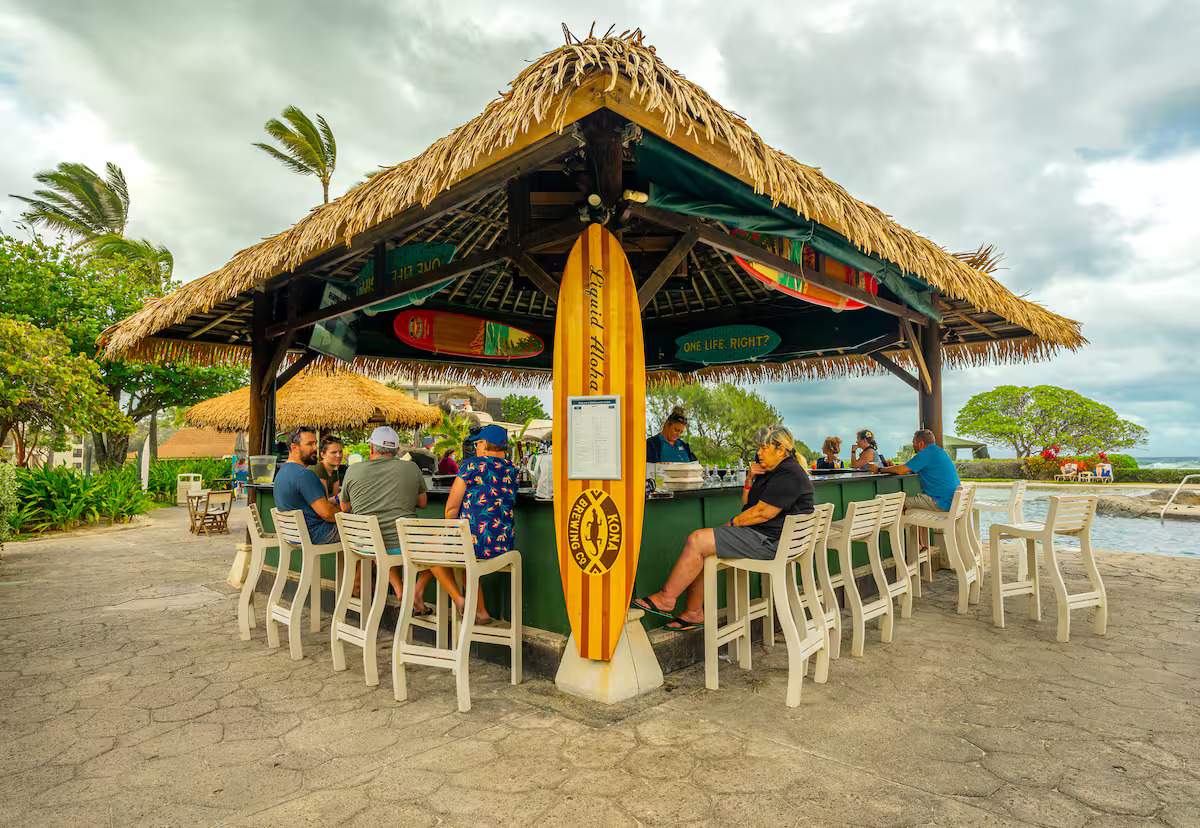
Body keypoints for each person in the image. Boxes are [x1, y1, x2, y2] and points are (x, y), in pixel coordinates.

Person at [632, 425, 814, 631]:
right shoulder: (775, 472)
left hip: (771, 543)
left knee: (697, 540)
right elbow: (747, 507)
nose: (759, 453)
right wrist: (749, 480)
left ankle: (666, 599)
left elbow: (762, 513)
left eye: (764, 448)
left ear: (781, 449)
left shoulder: (788, 472)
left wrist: (731, 525)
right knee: (704, 548)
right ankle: (693, 613)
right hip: (770, 538)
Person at [339, 426, 432, 610]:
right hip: (403, 546)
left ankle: (400, 588)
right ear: (397, 450)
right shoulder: (411, 468)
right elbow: (422, 503)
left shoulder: (352, 470)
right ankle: (415, 590)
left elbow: (344, 507)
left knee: (380, 541)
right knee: (438, 549)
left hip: (365, 545)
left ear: (372, 448)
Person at [437, 424, 517, 625]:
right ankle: (481, 611)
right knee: (465, 556)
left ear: (483, 444)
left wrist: (449, 535)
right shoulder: (512, 469)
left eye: (478, 442)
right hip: (503, 545)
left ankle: (459, 599)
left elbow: (451, 508)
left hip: (474, 544)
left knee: (430, 549)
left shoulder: (472, 465)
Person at [273, 426, 340, 544]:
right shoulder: (304, 475)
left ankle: (349, 563)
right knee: (361, 531)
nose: (315, 448)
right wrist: (345, 515)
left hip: (294, 535)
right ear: (294, 448)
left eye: (315, 443)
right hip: (315, 534)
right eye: (310, 444)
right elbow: (326, 513)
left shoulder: (282, 472)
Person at [878, 429, 961, 511]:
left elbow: (901, 470)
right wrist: (893, 467)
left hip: (941, 502)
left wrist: (879, 469)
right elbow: (907, 468)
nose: (913, 446)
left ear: (921, 444)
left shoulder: (926, 453)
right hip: (952, 501)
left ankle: (903, 525)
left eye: (913, 443)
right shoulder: (939, 451)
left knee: (898, 503)